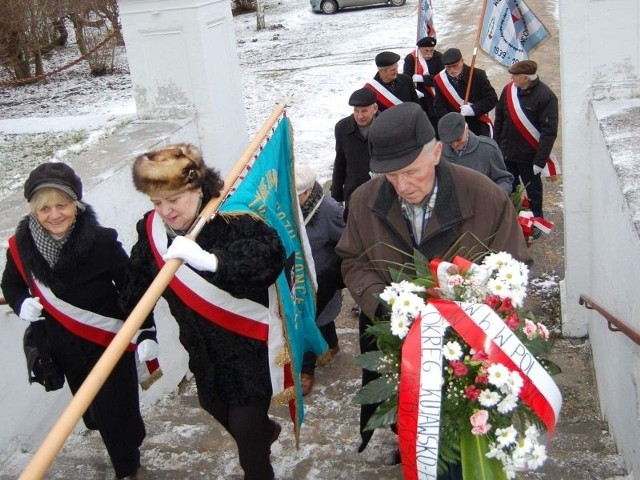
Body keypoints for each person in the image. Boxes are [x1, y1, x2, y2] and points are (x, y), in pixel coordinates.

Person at [335, 103, 531, 478]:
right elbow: (353, 259)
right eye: (391, 175)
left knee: (462, 454)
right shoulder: (363, 200)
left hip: (469, 357)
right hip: (398, 352)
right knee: (415, 441)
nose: (402, 186)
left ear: (437, 151)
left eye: (411, 172)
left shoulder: (485, 197)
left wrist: (476, 308)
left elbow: (515, 267)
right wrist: (384, 304)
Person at [121, 144, 285, 480]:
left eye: (174, 199)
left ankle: (258, 447)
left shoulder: (232, 217)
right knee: (214, 405)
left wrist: (211, 262)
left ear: (197, 189)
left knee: (249, 444)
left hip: (248, 347)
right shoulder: (151, 231)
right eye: (156, 202)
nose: (165, 211)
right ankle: (263, 431)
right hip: (202, 351)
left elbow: (268, 258)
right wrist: (145, 330)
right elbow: (136, 283)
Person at [1, 163, 155, 479]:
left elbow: (132, 288)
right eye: (45, 208)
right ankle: (127, 441)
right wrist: (20, 303)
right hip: (65, 349)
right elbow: (12, 283)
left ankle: (128, 468)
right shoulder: (21, 247)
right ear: (33, 210)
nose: (54, 215)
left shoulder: (101, 241)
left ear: (76, 204)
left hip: (108, 342)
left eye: (62, 205)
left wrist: (146, 330)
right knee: (94, 415)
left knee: (116, 414)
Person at [296, 164, 345, 396]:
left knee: (311, 319)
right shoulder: (286, 208)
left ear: (308, 191)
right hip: (295, 276)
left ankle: (306, 371)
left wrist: (332, 272)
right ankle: (331, 344)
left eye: (298, 196)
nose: (294, 201)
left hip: (322, 278)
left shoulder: (329, 210)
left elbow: (345, 243)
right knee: (318, 321)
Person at [494, 60, 559, 235]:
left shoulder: (546, 97)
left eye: (515, 76)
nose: (511, 78)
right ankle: (513, 220)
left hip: (530, 157)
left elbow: (549, 132)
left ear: (526, 78)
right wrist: (497, 146)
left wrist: (540, 161)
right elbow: (499, 118)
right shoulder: (509, 90)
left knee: (533, 192)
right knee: (511, 189)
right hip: (507, 152)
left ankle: (536, 222)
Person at [438, 112, 514, 195]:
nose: (455, 145)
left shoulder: (488, 149)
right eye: (450, 142)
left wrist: (494, 196)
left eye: (459, 139)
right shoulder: (439, 153)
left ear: (467, 129)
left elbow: (504, 180)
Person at [330, 87, 378, 219]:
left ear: (374, 109)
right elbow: (340, 161)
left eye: (364, 111)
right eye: (356, 111)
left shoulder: (386, 126)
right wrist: (336, 195)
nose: (360, 116)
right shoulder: (342, 128)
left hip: (380, 191)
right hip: (353, 192)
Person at [434, 47, 498, 138]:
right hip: (455, 127)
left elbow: (492, 99)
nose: (452, 70)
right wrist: (451, 121)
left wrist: (473, 109)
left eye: (455, 65)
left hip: (478, 124)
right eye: (448, 67)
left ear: (462, 61)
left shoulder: (478, 75)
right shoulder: (439, 80)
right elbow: (439, 105)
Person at [403, 36, 444, 134]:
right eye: (426, 51)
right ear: (420, 49)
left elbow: (442, 78)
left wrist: (423, 79)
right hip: (420, 99)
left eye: (431, 50)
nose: (429, 54)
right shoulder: (411, 59)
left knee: (439, 126)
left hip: (435, 97)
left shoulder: (439, 57)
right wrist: (413, 90)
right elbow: (406, 79)